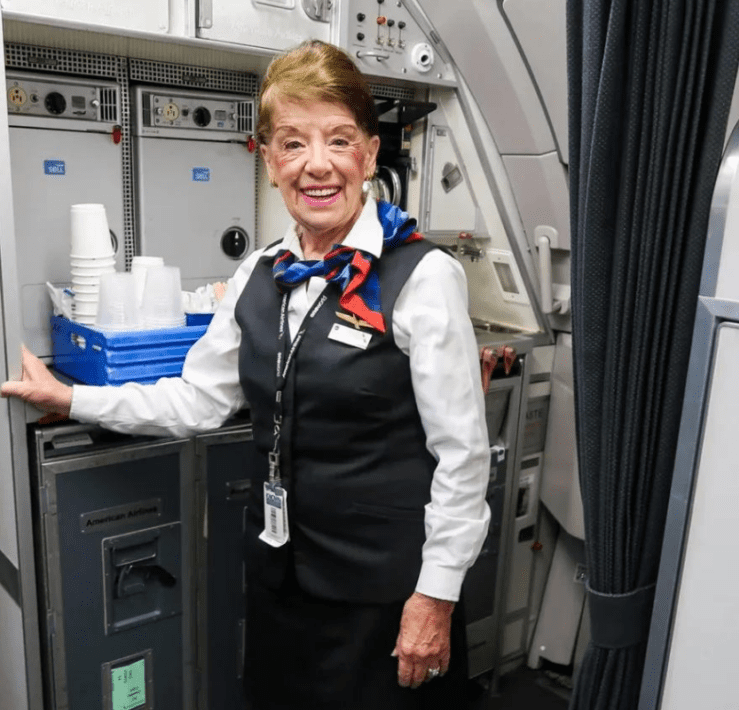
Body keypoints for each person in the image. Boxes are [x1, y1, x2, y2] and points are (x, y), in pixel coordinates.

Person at [1, 40, 490, 709]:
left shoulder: (421, 276)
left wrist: (435, 597)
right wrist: (71, 396)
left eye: (338, 140)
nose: (316, 165)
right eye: (293, 143)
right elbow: (197, 401)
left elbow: (462, 460)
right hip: (283, 584)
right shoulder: (261, 273)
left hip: (385, 597)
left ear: (370, 155)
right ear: (269, 161)